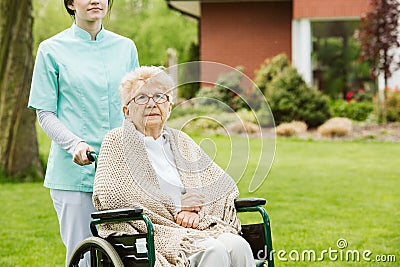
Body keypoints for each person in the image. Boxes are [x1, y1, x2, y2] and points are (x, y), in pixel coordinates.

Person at [93, 66, 254, 267]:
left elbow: (221, 184)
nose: (152, 104)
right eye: (141, 98)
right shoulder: (116, 141)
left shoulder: (181, 141)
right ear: (127, 111)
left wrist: (195, 210)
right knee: (213, 251)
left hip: (196, 227)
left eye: (159, 96)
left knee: (238, 246)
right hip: (154, 233)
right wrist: (178, 205)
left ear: (169, 106)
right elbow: (110, 194)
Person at [27, 0, 139, 264]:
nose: (95, 0)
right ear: (69, 3)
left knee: (127, 256)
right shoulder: (51, 50)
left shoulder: (125, 48)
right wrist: (74, 144)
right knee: (85, 257)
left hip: (121, 173)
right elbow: (45, 112)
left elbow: (135, 107)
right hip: (74, 174)